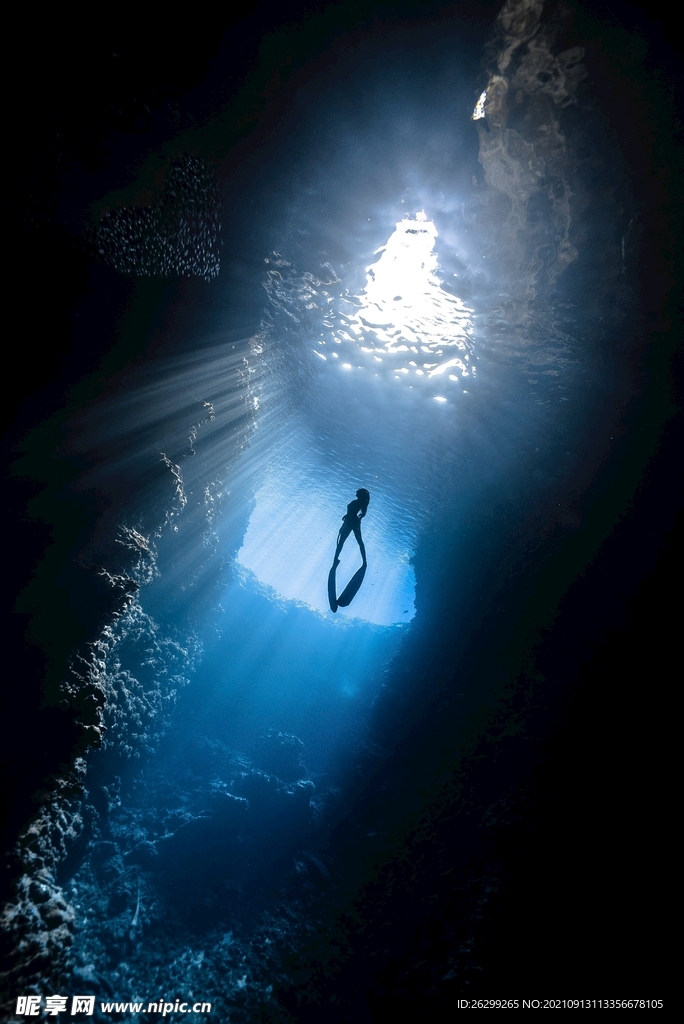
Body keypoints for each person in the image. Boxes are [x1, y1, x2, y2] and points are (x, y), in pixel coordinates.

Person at [334, 488, 370, 567]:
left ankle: (335, 559)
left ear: (360, 495)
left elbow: (351, 514)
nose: (356, 492)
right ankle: (364, 562)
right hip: (352, 523)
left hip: (350, 523)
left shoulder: (357, 503)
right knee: (359, 541)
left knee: (342, 542)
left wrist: (343, 526)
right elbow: (351, 514)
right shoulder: (358, 503)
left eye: (358, 492)